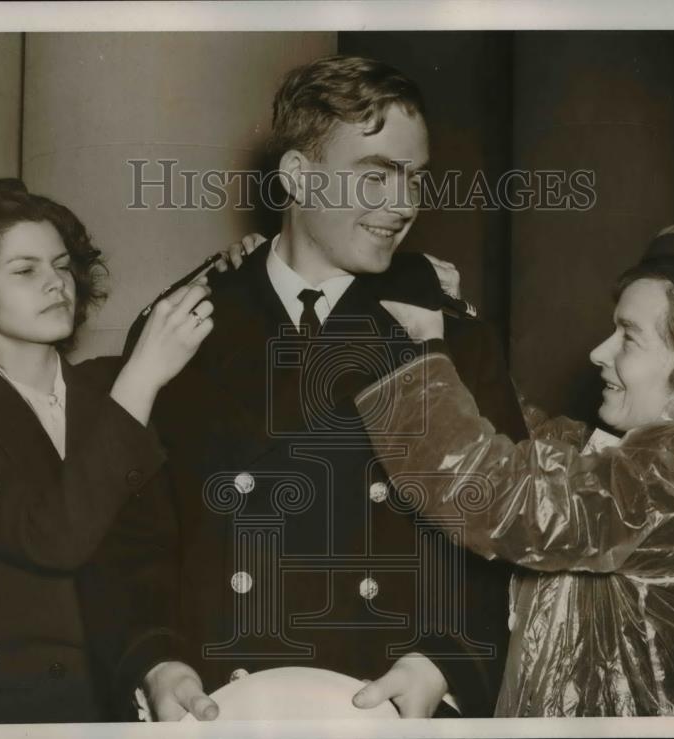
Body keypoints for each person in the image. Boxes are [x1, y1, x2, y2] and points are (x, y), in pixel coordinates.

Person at [78, 55, 529, 721]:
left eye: (415, 178)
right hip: (223, 707)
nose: (404, 205)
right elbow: (133, 536)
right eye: (375, 176)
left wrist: (442, 663)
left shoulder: (452, 340)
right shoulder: (183, 327)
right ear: (297, 176)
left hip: (387, 704)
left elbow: (502, 533)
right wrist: (154, 660)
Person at [353, 221, 674, 716]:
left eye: (627, 338)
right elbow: (535, 441)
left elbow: (498, 496)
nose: (598, 352)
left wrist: (421, 350)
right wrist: (459, 328)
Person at [0, 178, 215, 723]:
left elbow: (155, 560)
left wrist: (162, 661)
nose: (56, 283)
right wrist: (141, 379)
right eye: (25, 270)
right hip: (8, 720)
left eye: (62, 266)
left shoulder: (114, 394)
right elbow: (52, 536)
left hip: (134, 700)